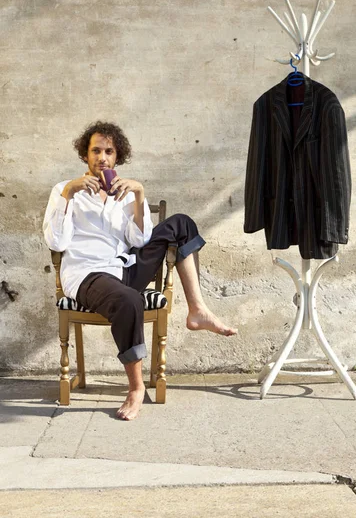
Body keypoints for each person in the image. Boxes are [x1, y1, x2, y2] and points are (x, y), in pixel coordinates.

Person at [43, 121, 237, 421]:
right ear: (85, 154)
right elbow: (56, 241)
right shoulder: (65, 190)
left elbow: (140, 241)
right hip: (86, 275)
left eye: (109, 151)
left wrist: (139, 196)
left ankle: (197, 310)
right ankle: (135, 388)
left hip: (124, 269)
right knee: (129, 300)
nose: (102, 158)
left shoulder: (127, 192)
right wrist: (70, 192)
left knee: (181, 223)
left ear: (117, 157)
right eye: (96, 150)